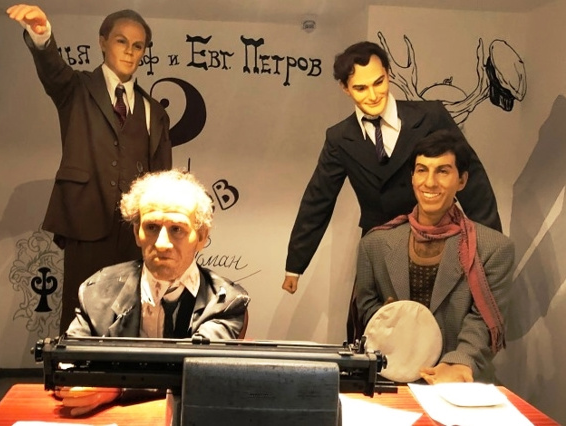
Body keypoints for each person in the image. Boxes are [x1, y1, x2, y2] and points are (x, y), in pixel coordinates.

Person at [282, 41, 501, 295]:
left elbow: (473, 180)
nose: (373, 95)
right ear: (345, 88)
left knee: (438, 315)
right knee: (375, 317)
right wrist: (295, 266)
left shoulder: (431, 116)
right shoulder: (339, 138)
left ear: (388, 73)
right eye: (361, 88)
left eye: (379, 82)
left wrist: (491, 246)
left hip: (437, 239)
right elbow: (318, 199)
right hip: (379, 246)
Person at [7, 5, 172, 332]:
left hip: (135, 232)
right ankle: (76, 365)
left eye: (138, 45)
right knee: (80, 314)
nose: (129, 51)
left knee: (131, 316)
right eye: (121, 41)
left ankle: (126, 365)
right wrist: (41, 34)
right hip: (85, 223)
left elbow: (161, 179)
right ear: (102, 42)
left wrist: (159, 228)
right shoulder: (76, 88)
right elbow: (52, 70)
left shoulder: (153, 111)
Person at [57, 169, 250, 416]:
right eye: (151, 227)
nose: (161, 243)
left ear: (201, 237)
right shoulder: (98, 291)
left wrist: (116, 388)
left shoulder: (226, 303)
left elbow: (200, 373)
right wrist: (73, 382)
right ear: (136, 232)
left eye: (177, 229)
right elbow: (68, 363)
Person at [352, 129, 513, 384]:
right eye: (422, 170)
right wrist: (391, 317)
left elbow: (482, 320)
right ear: (412, 177)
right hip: (390, 377)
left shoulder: (494, 248)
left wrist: (458, 362)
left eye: (442, 171)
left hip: (457, 380)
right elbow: (366, 308)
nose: (429, 182)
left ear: (462, 180)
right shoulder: (374, 245)